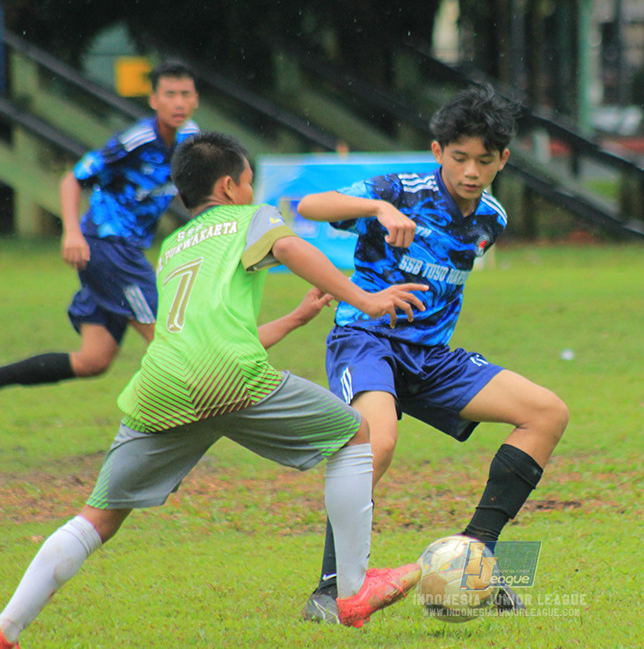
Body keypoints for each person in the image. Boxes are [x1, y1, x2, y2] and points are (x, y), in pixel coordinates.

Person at [0, 132, 430, 647]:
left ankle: (7, 625)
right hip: (228, 376)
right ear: (229, 186)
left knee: (99, 516)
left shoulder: (174, 247)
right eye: (249, 183)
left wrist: (293, 320)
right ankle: (354, 590)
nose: (252, 192)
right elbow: (290, 246)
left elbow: (207, 336)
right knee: (356, 434)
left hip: (160, 385)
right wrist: (365, 299)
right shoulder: (253, 218)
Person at [295, 85, 569, 622]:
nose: (470, 170)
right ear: (438, 150)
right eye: (459, 157)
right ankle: (331, 588)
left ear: (502, 161)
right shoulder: (401, 189)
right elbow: (310, 205)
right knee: (375, 443)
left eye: (484, 161)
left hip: (433, 358)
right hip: (367, 341)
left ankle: (472, 558)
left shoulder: (492, 218)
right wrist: (378, 206)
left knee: (546, 413)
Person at [0, 60, 200, 390]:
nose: (178, 103)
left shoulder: (191, 142)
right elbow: (72, 180)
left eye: (185, 94)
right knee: (166, 335)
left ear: (195, 99)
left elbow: (182, 192)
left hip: (126, 249)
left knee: (93, 360)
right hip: (108, 246)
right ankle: (175, 420)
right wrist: (73, 233)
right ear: (153, 100)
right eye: (170, 94)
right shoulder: (134, 141)